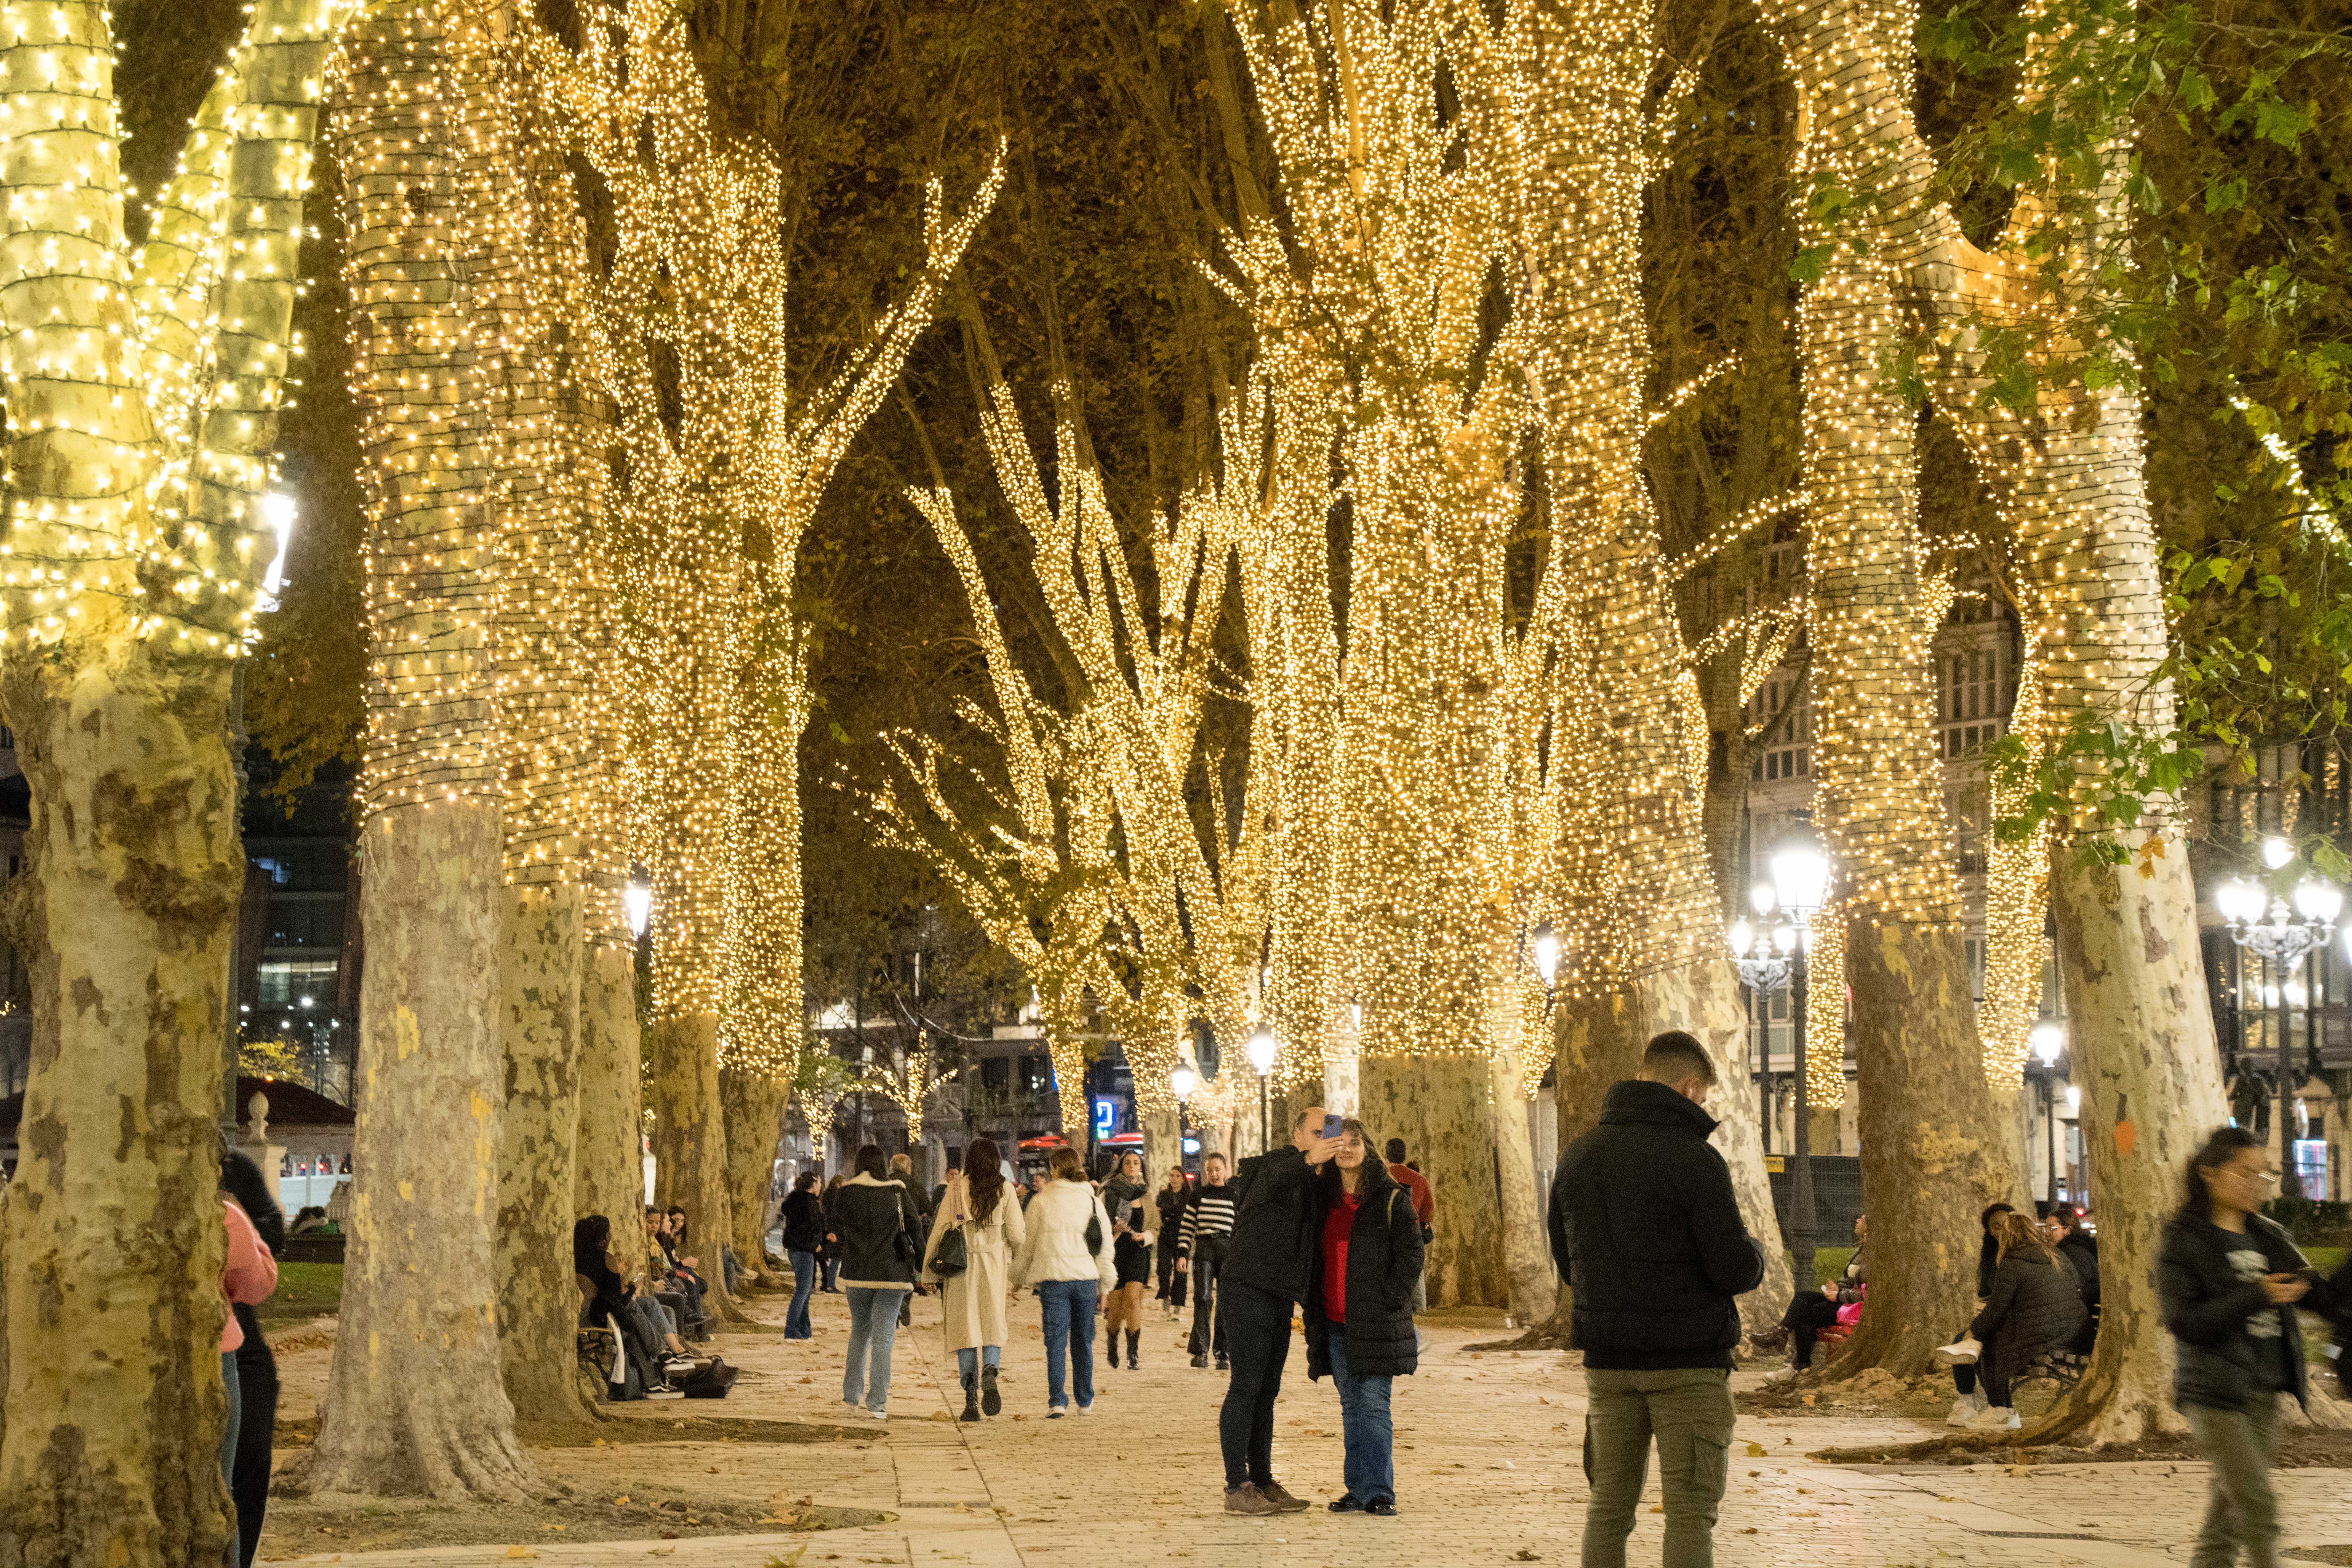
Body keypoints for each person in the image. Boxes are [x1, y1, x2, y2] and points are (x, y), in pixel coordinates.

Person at [1549, 1031, 1764, 1568]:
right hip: (1688, 1364)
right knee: (1691, 1511)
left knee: (1608, 1508)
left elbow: (1566, 1260)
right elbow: (1732, 1268)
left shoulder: (1580, 1155)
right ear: (1691, 1088)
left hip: (1608, 1363)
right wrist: (1756, 1251)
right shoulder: (1695, 1160)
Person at [2162, 1126, 2348, 1568]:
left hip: (2265, 1391)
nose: (2256, 1186)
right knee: (2259, 1506)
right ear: (2210, 1174)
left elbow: (2322, 1298)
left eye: (2263, 1176)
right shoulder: (2185, 1240)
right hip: (2214, 1393)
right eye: (2245, 1174)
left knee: (2225, 1523)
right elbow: (2185, 1322)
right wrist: (2258, 1294)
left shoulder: (2269, 1235)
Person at [1216, 1106, 1338, 1516]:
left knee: (1267, 1391)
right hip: (1247, 1285)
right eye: (1317, 1133)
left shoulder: (1317, 1181)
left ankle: (1264, 1480)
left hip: (1279, 1292)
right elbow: (1279, 1177)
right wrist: (1309, 1160)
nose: (1324, 1140)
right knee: (1246, 1386)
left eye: (1330, 1134)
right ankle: (1237, 1485)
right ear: (1299, 1135)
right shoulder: (1277, 1165)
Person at [1306, 1119, 1422, 1517]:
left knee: (1373, 1405)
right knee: (1351, 1408)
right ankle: (1357, 1488)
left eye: (1355, 1143)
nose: (1348, 1150)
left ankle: (1379, 1491)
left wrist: (1390, 1297)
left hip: (1376, 1321)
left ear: (1367, 1148)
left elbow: (1412, 1256)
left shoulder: (1391, 1196)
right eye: (1340, 1143)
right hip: (1335, 1322)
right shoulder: (1324, 1198)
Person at [1952, 1210, 2086, 1430]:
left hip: (2047, 1333)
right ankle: (1994, 1409)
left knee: (1986, 1344)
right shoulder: (2057, 1256)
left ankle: (2000, 1410)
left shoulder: (2012, 1263)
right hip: (2075, 1331)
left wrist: (1973, 1331)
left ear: (2006, 1237)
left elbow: (1996, 1309)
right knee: (1988, 1339)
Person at [924, 1135, 1026, 1421]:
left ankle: (970, 1394)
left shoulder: (956, 1189)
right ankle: (990, 1370)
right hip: (994, 1266)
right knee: (993, 1323)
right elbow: (1018, 1234)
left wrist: (928, 1273)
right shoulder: (1005, 1189)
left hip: (961, 1267)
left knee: (965, 1327)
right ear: (996, 1161)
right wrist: (1021, 1268)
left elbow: (940, 1229)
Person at [1012, 1145, 1118, 1416]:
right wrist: (1106, 1282)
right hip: (1085, 1280)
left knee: (1056, 1341)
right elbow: (1104, 1244)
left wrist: (1017, 1277)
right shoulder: (1092, 1201)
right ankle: (1085, 1400)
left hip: (1054, 1279)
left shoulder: (1042, 1200)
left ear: (1056, 1169)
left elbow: (1028, 1244)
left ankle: (1057, 1400)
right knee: (1084, 1341)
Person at [219, 1149, 284, 1568]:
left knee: (251, 1454)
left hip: (240, 1339)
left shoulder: (234, 1167)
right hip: (216, 1343)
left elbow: (273, 1230)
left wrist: (239, 1222)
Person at [832, 1143, 923, 1420]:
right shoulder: (897, 1191)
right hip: (891, 1274)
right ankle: (878, 1403)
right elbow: (914, 1227)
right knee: (884, 1338)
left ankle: (851, 1396)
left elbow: (834, 1223)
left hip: (857, 1272)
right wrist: (920, 1267)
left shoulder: (846, 1192)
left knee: (860, 1332)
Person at [573, 1215, 691, 1399]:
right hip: (604, 1315)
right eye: (609, 1232)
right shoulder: (606, 1259)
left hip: (590, 1312)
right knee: (632, 1318)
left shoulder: (581, 1258)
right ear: (604, 1237)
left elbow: (609, 1295)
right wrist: (634, 1287)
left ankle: (659, 1372)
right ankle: (662, 1356)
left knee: (647, 1306)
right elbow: (617, 1300)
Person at [1935, 1202, 2016, 1424]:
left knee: (1970, 1341)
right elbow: (1988, 1294)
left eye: (2004, 1225)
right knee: (1962, 1341)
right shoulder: (1991, 1257)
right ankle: (1968, 1401)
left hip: (2015, 1321)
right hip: (1997, 1317)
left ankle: (1993, 1406)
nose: (1999, 1231)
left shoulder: (2017, 1257)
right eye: (1994, 1226)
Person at [1762, 1214, 1866, 1384]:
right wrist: (1837, 1289)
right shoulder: (1861, 1250)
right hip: (1846, 1301)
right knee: (1803, 1297)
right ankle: (1782, 1333)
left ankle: (1799, 1366)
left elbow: (1868, 1292)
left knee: (1809, 1314)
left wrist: (1839, 1295)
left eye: (1863, 1219)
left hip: (1855, 1308)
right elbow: (1850, 1281)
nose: (1857, 1221)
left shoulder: (1875, 1255)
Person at [1177, 1152, 1238, 1368]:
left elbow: (1241, 1228)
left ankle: (1223, 1353)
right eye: (1209, 1170)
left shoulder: (1234, 1195)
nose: (1214, 1174)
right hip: (1204, 1249)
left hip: (1228, 1250)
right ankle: (1200, 1351)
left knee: (1225, 1302)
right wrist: (1183, 1254)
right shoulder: (1198, 1195)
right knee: (1203, 1298)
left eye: (1218, 1169)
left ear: (1226, 1170)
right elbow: (1187, 1226)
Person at [1099, 1150, 1153, 1369]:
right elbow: (1100, 1222)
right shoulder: (1110, 1191)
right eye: (1128, 1163)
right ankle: (1113, 1341)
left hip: (1139, 1252)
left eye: (1136, 1163)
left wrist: (1146, 1237)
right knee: (1116, 1306)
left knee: (1133, 1300)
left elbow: (1156, 1227)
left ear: (1141, 1167)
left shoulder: (1147, 1195)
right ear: (1122, 1166)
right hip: (1116, 1252)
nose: (1132, 1166)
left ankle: (1133, 1354)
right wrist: (1115, 1228)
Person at [1383, 1139, 1435, 1316]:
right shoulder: (1420, 1180)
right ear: (1405, 1155)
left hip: (1385, 1233)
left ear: (1386, 1154)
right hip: (1412, 1234)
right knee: (1414, 1269)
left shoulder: (1382, 1176)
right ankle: (1418, 1308)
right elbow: (1429, 1209)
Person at [2047, 1204, 2101, 1355]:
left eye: (2052, 1228)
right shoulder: (2066, 1252)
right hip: (2069, 1325)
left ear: (2068, 1230)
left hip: (2074, 1330)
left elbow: (2073, 1291)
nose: (2046, 1233)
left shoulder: (2075, 1254)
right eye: (2046, 1228)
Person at [780, 1172, 825, 1339]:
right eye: (820, 1182)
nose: (821, 1185)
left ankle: (804, 1329)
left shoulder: (800, 1200)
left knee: (806, 1291)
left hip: (799, 1250)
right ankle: (792, 1330)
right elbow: (801, 1229)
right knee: (803, 1291)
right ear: (814, 1185)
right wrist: (814, 1244)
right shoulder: (806, 1202)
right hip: (803, 1251)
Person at [890, 1153, 934, 1327]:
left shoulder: (885, 1183)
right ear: (909, 1168)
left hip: (888, 1236)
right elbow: (928, 1209)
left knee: (890, 1275)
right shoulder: (916, 1186)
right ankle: (905, 1301)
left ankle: (893, 1315)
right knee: (908, 1273)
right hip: (909, 1236)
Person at [1155, 1167, 1192, 1317]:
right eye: (1172, 1176)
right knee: (1163, 1269)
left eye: (1177, 1176)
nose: (1174, 1179)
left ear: (1183, 1179)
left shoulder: (1189, 1196)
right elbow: (1159, 1213)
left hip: (1182, 1235)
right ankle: (1165, 1295)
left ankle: (1178, 1304)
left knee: (1181, 1271)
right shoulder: (1163, 1194)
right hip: (1165, 1235)